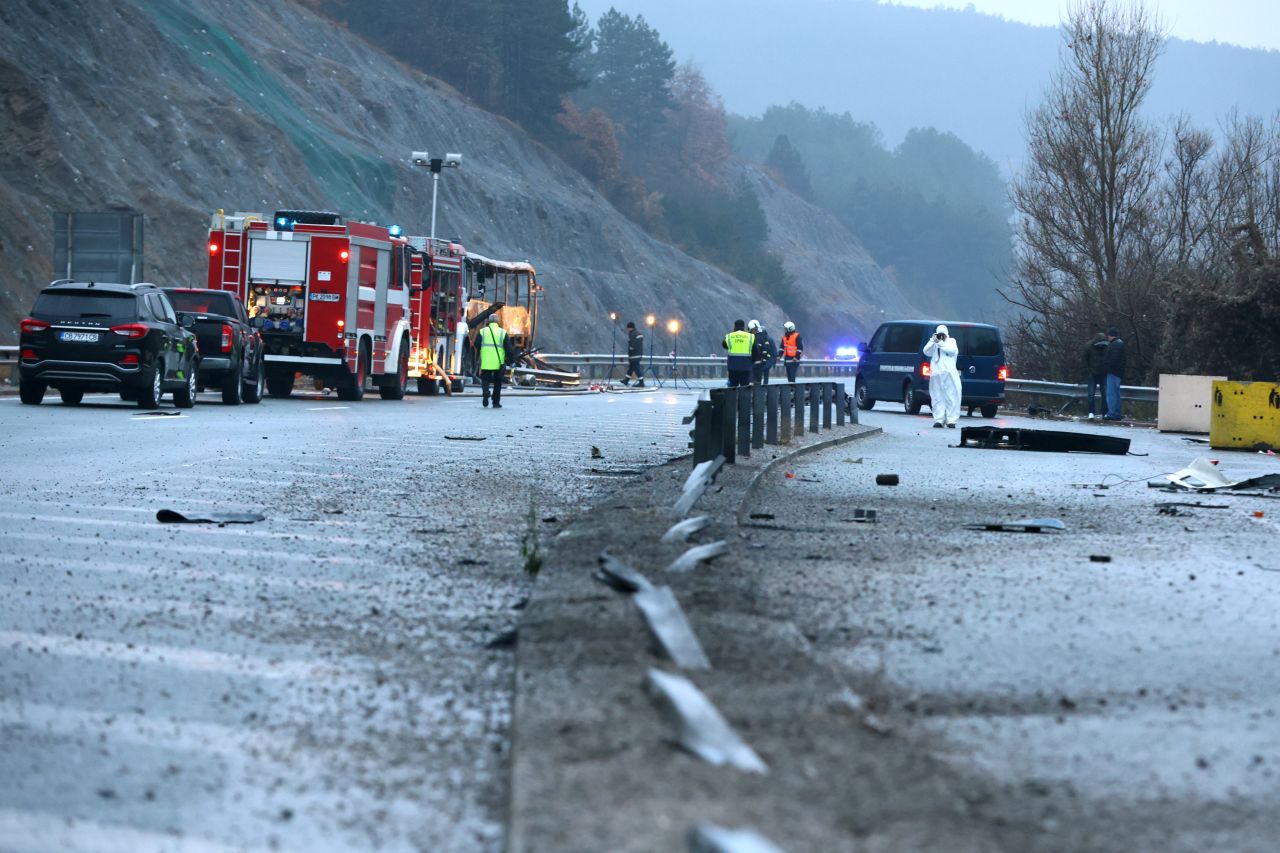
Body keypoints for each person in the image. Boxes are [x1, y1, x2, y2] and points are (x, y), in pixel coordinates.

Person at [922, 323, 962, 428]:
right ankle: (938, 420)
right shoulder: (934, 344)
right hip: (936, 375)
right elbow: (926, 351)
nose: (941, 336)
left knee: (951, 397)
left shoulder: (951, 342)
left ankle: (951, 420)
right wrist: (933, 340)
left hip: (949, 375)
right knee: (937, 397)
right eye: (939, 334)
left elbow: (952, 351)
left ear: (946, 334)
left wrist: (940, 343)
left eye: (942, 334)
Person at [478, 315, 508, 408]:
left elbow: (476, 344)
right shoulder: (503, 333)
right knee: (498, 382)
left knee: (485, 378)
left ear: (488, 321)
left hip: (486, 360)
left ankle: (486, 391)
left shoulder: (482, 332)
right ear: (498, 322)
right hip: (498, 362)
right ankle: (496, 402)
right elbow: (508, 348)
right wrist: (512, 360)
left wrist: (482, 351)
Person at [722, 319, 755, 387]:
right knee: (745, 387)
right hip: (745, 366)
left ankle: (732, 397)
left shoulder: (729, 336)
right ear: (744, 327)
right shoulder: (750, 336)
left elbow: (724, 345)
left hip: (732, 366)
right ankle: (744, 397)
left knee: (733, 387)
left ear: (734, 326)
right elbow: (755, 350)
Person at [1103, 325, 1126, 421]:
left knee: (1111, 394)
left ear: (1111, 335)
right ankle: (1117, 413)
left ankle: (1112, 414)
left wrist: (1107, 369)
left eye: (1108, 335)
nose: (1107, 337)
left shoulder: (1114, 345)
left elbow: (1113, 359)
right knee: (1116, 394)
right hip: (1119, 373)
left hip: (1113, 373)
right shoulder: (1121, 343)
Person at [1084, 331, 1108, 420]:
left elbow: (1108, 360)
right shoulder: (1088, 347)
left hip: (1104, 374)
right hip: (1092, 374)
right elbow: (1084, 361)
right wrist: (1088, 371)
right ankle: (1091, 412)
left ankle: (1105, 412)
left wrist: (1107, 371)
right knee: (1091, 394)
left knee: (1105, 394)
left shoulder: (1107, 347)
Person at [749, 319, 776, 385]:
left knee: (754, 381)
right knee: (757, 380)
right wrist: (766, 360)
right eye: (755, 329)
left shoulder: (761, 338)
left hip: (757, 363)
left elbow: (767, 350)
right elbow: (769, 350)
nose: (757, 331)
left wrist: (765, 360)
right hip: (759, 363)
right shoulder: (762, 338)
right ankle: (762, 390)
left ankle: (758, 392)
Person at [622, 321, 644, 387]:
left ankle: (641, 382)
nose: (628, 329)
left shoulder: (632, 334)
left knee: (636, 368)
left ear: (630, 328)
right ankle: (626, 380)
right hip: (638, 353)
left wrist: (630, 350)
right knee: (631, 368)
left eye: (628, 328)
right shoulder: (638, 333)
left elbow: (632, 344)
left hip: (634, 355)